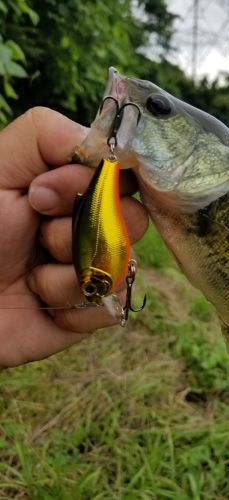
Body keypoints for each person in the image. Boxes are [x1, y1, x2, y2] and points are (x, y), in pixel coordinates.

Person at [0, 107, 148, 368]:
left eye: (90, 289)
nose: (92, 293)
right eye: (91, 288)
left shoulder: (99, 274)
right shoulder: (103, 276)